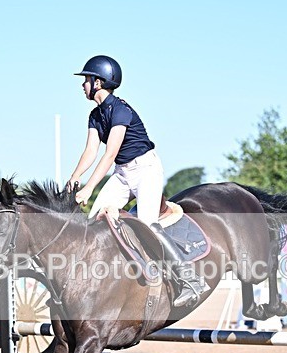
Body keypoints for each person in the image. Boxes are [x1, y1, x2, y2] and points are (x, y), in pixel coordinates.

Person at [68, 55, 206, 307]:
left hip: (146, 170)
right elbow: (90, 151)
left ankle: (189, 279)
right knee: (94, 221)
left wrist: (89, 188)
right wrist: (75, 177)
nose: (83, 84)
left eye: (86, 79)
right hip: (122, 174)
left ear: (98, 82)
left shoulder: (121, 110)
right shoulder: (95, 116)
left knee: (148, 223)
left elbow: (109, 153)